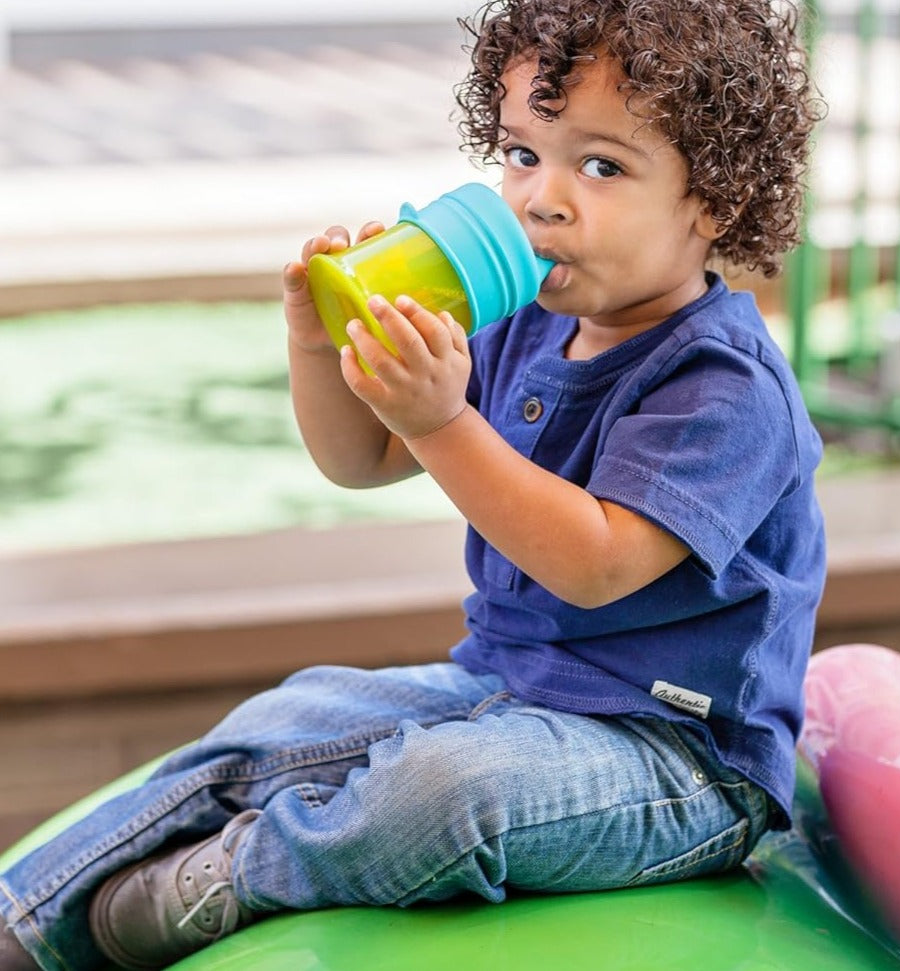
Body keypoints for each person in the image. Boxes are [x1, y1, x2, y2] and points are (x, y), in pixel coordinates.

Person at [0, 1, 826, 969]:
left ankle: (225, 878)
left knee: (441, 789)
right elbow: (360, 460)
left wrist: (440, 419)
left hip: (674, 760)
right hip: (501, 687)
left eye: (599, 166)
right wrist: (323, 346)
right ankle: (27, 917)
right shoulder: (519, 320)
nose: (540, 198)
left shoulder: (720, 383)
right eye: (522, 154)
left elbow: (592, 563)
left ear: (712, 200)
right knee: (286, 720)